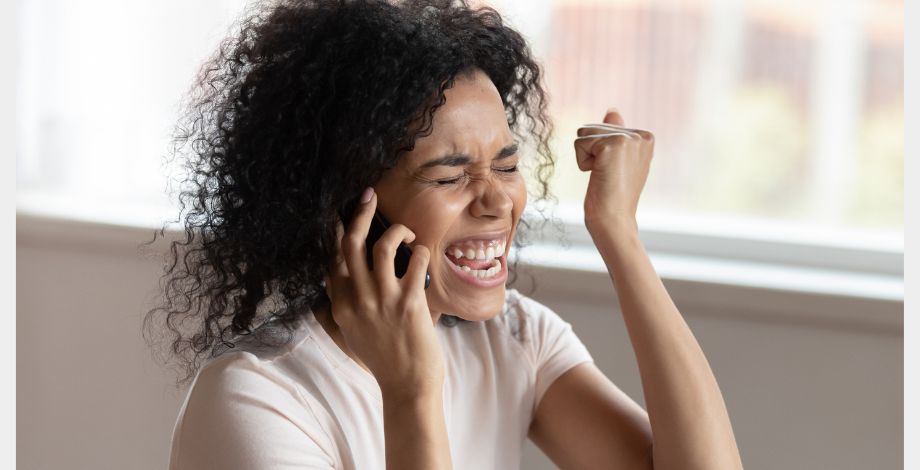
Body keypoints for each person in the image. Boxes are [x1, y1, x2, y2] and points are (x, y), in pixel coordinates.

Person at [146, 0, 743, 469]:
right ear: (351, 206)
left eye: (506, 166)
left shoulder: (513, 339)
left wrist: (618, 235)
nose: (496, 202)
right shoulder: (255, 399)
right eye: (451, 176)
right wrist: (410, 393)